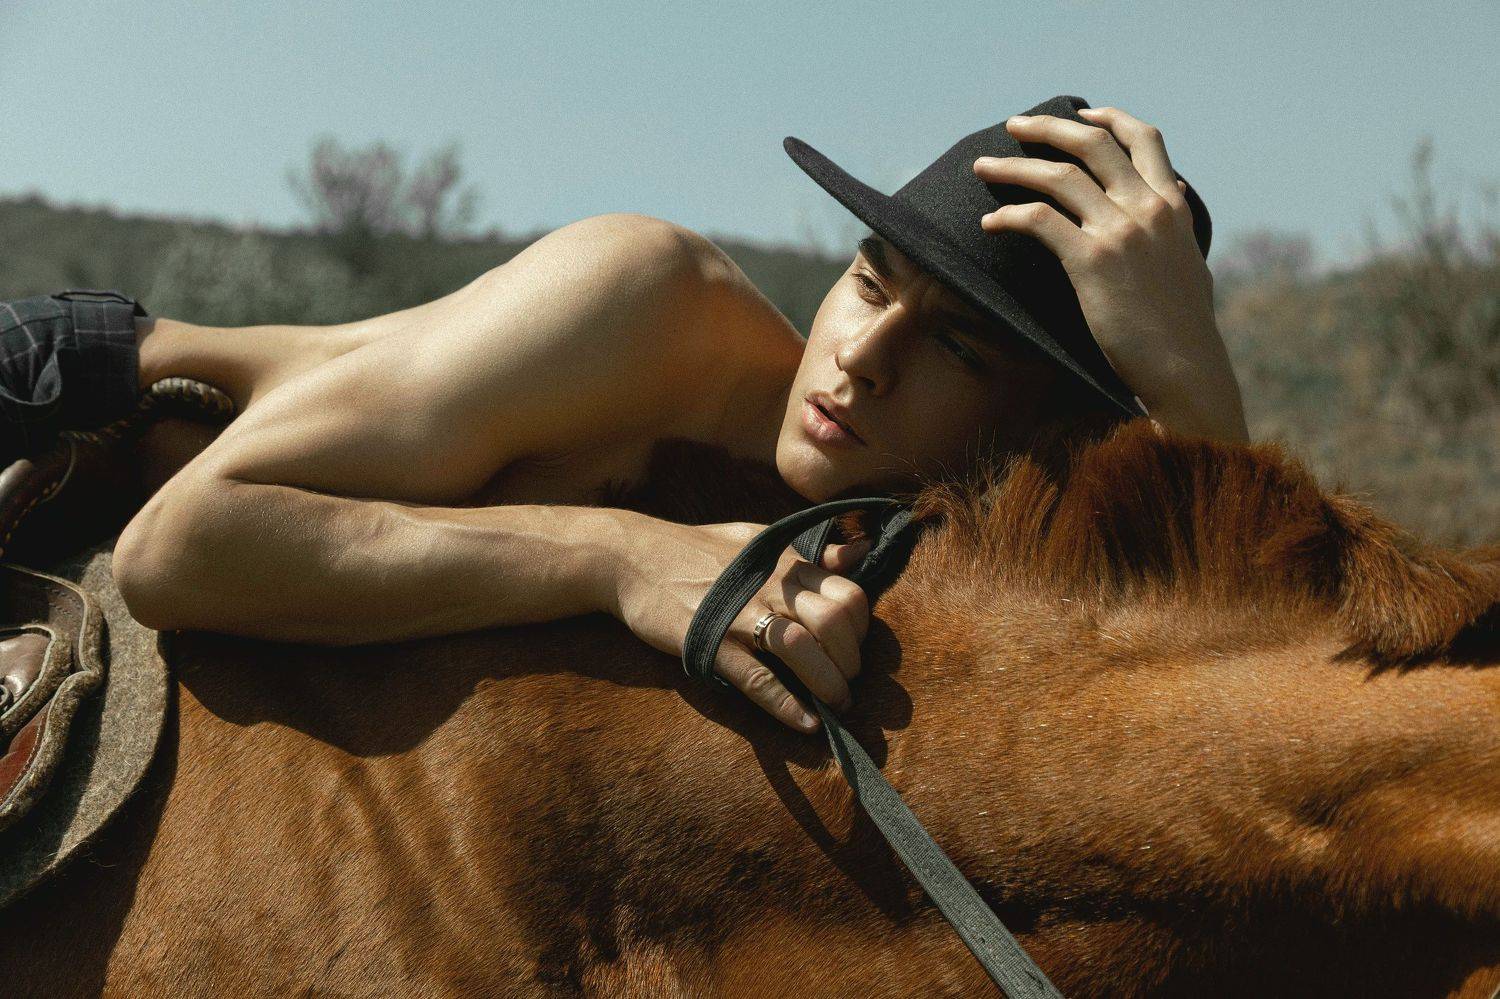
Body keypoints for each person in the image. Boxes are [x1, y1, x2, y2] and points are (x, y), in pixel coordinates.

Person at [0, 100, 1245, 735]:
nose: (863, 359)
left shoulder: (983, 520)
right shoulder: (646, 299)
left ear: (1044, 436)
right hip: (63, 401)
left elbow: (1225, 650)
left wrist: (1193, 384)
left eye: (956, 349)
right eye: (869, 283)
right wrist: (618, 555)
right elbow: (179, 550)